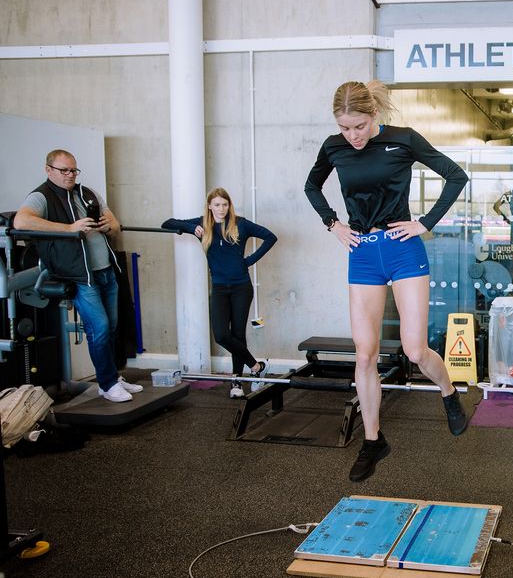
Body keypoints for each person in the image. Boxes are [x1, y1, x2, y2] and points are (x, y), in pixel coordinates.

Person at [304, 79, 469, 482]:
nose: (352, 135)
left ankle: (448, 392)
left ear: (373, 115)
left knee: (414, 350)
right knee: (365, 353)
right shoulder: (334, 147)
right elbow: (312, 186)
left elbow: (456, 176)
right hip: (362, 253)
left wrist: (425, 223)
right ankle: (373, 440)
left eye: (358, 126)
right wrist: (334, 224)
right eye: (345, 127)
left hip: (402, 250)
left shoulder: (403, 140)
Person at [13, 149, 141, 402]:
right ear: (49, 170)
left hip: (106, 270)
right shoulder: (41, 196)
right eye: (64, 170)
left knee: (112, 328)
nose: (70, 175)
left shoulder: (88, 193)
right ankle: (106, 384)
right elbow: (21, 221)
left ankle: (113, 377)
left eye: (73, 170)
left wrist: (108, 226)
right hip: (81, 277)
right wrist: (69, 229)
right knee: (100, 328)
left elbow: (114, 224)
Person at [162, 188, 276, 399]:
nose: (221, 209)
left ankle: (237, 382)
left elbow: (271, 237)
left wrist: (248, 261)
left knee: (238, 335)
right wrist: (191, 227)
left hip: (242, 287)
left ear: (229, 205)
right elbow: (167, 223)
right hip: (220, 288)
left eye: (225, 204)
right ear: (209, 206)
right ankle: (257, 366)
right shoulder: (202, 224)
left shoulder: (240, 223)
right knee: (222, 335)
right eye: (217, 205)